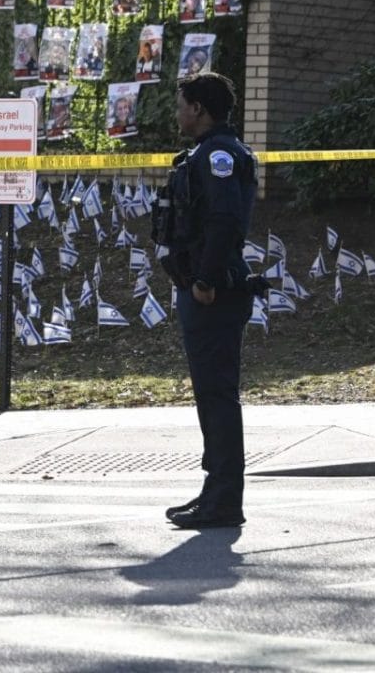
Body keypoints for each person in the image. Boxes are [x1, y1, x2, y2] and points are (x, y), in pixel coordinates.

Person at [156, 72, 259, 529]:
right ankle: (214, 493)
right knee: (211, 396)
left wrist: (205, 280)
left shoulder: (218, 155)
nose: (177, 111)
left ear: (198, 108)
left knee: (217, 396)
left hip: (213, 291)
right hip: (203, 286)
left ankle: (223, 501)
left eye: (182, 104)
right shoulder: (206, 153)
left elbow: (222, 221)